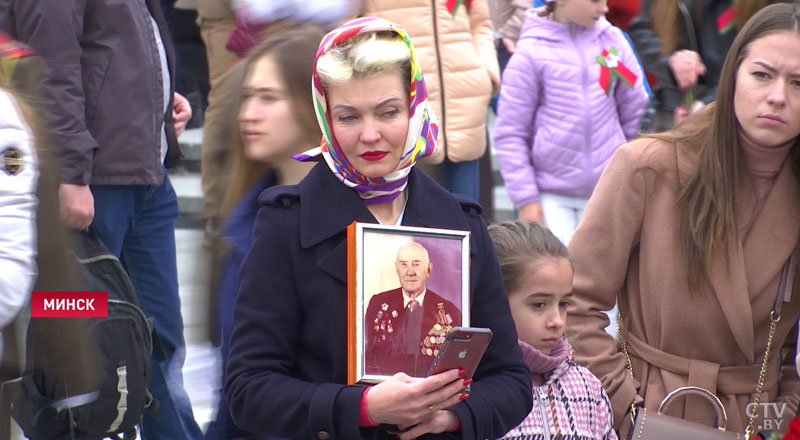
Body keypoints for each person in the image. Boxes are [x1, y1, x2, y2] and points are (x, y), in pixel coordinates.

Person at [225, 17, 531, 439]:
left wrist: (452, 417)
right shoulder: (286, 223)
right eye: (349, 116)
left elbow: (511, 380)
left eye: (388, 112)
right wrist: (363, 408)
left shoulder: (461, 223)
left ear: (414, 106)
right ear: (325, 118)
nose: (370, 135)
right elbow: (248, 389)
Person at [567, 4, 800, 436]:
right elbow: (573, 303)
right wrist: (625, 406)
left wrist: (784, 410)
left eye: (798, 82)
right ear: (733, 74)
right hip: (652, 415)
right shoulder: (647, 167)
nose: (778, 97)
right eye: (762, 75)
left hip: (756, 422)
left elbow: (787, 346)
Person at [7, 0, 202, 438]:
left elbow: (119, 48)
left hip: (143, 179)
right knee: (84, 332)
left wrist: (159, 106)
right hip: (94, 186)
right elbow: (52, 66)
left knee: (157, 340)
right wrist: (70, 172)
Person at [203, 23, 324, 440]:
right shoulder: (244, 221)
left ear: (315, 105)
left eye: (267, 98)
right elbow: (234, 385)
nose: (247, 113)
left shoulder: (360, 221)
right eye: (247, 97)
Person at [493, 0, 648, 246]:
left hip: (608, 191)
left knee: (605, 277)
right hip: (551, 198)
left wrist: (627, 166)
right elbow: (511, 133)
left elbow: (636, 107)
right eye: (595, 1)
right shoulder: (531, 53)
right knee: (560, 278)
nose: (605, 8)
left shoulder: (613, 41)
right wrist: (527, 201)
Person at [362, 0, 500, 204]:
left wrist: (486, 73)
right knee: (410, 220)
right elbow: (352, 24)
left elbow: (480, 24)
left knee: (465, 217)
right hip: (402, 104)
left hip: (465, 100)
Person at [489, 221, 617, 440]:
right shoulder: (472, 392)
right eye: (539, 305)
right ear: (494, 301)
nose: (557, 321)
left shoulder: (588, 387)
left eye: (564, 304)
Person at [628, 0, 771, 129]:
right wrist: (671, 62)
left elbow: (769, 51)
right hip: (672, 107)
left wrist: (710, 103)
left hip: (735, 109)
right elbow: (642, 28)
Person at [364, 242, 462, 377]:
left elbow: (453, 363)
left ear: (428, 269)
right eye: (404, 264)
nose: (410, 272)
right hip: (384, 387)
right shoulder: (378, 303)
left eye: (416, 264)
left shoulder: (450, 311)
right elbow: (367, 355)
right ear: (397, 269)